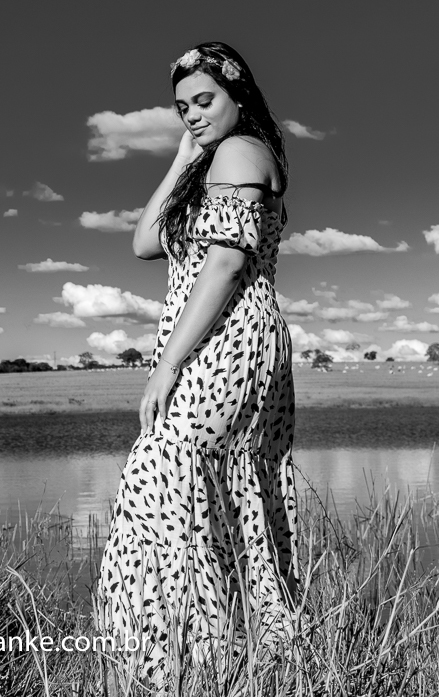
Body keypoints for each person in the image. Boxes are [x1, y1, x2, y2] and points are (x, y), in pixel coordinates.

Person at [96, 42, 299, 683]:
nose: (191, 115)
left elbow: (226, 261)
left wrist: (165, 366)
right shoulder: (211, 160)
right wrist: (183, 156)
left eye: (204, 101)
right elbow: (143, 242)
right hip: (218, 339)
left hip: (226, 342)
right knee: (211, 494)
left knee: (166, 479)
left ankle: (181, 663)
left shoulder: (241, 153)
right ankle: (243, 659)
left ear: (240, 94)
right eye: (181, 108)